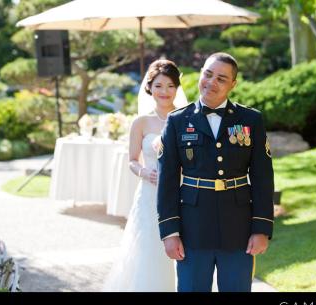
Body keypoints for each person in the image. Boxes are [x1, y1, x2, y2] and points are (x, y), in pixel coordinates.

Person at [156, 52, 274, 292]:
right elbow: (166, 182)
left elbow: (263, 178)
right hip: (193, 228)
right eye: (207, 74)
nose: (211, 82)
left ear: (233, 84)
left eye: (221, 78)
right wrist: (170, 232)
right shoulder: (177, 121)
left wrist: (261, 228)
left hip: (238, 227)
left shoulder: (251, 119)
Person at [102, 59, 187, 292]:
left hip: (182, 193)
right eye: (159, 86)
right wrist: (144, 172)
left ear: (177, 88)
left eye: (170, 86)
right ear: (150, 88)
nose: (165, 91)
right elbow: (131, 160)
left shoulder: (186, 119)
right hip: (150, 195)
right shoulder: (141, 123)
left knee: (183, 249)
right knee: (150, 250)